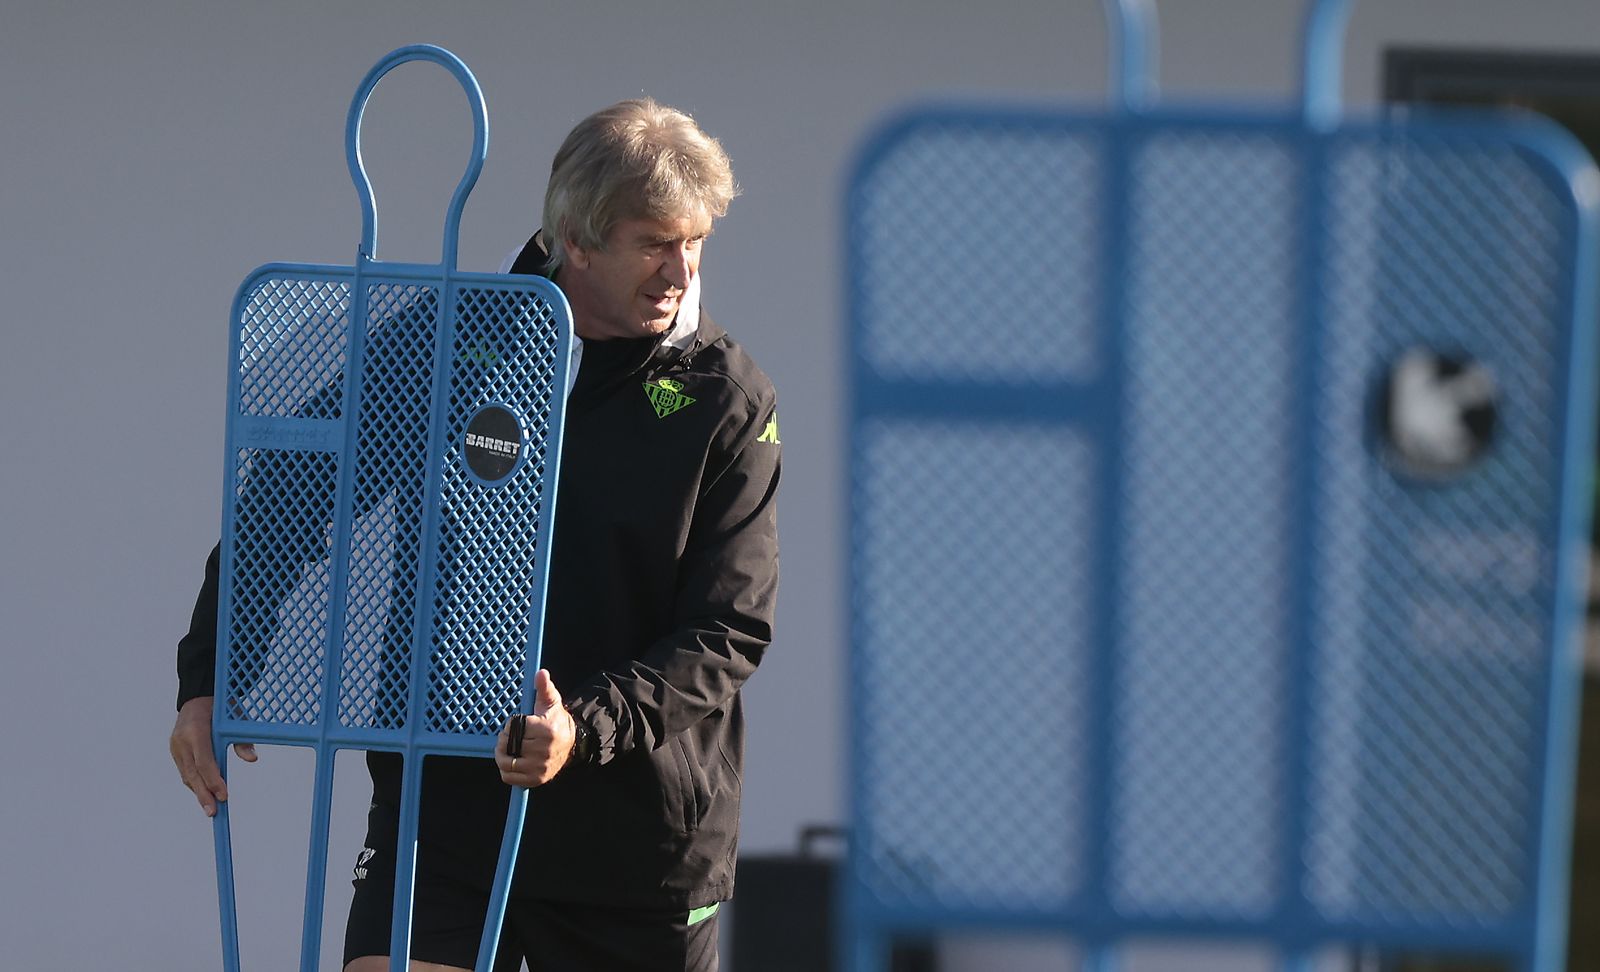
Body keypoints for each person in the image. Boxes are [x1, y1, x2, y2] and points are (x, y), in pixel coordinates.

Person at [169, 97, 781, 972]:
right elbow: (293, 498)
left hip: (635, 843)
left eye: (695, 242)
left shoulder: (726, 395)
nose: (680, 269)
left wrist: (586, 726)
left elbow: (730, 629)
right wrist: (210, 675)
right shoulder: (450, 338)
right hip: (444, 804)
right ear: (576, 239)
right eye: (654, 242)